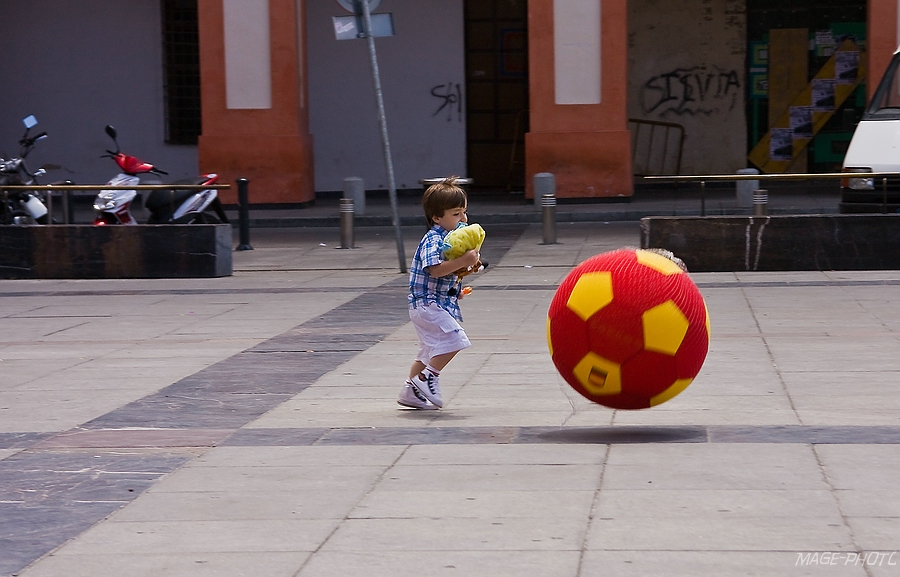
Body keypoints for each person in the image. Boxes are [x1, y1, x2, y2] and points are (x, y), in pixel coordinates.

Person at [397, 177, 481, 410]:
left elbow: (444, 276)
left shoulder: (449, 239)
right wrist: (463, 260)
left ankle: (409, 392)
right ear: (436, 217)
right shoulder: (434, 239)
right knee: (455, 338)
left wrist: (455, 291)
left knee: (428, 350)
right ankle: (426, 378)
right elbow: (434, 270)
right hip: (426, 305)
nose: (463, 219)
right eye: (456, 214)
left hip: (431, 304)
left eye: (464, 212)